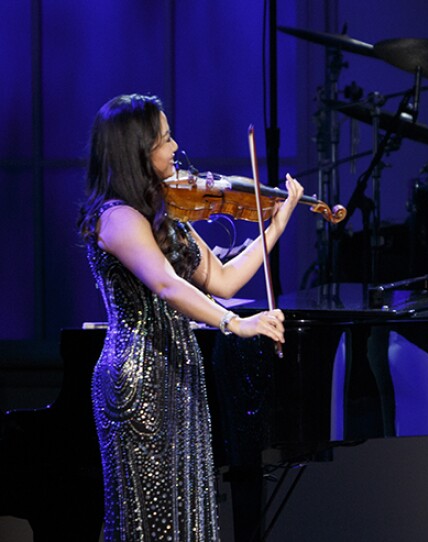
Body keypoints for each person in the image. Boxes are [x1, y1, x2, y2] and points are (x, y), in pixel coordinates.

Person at [76, 93, 303, 541]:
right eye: (164, 138)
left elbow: (222, 279)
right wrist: (234, 323)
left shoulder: (167, 215)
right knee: (146, 521)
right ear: (139, 150)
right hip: (137, 382)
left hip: (179, 377)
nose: (176, 146)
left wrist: (274, 227)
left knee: (186, 516)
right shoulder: (116, 217)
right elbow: (164, 283)